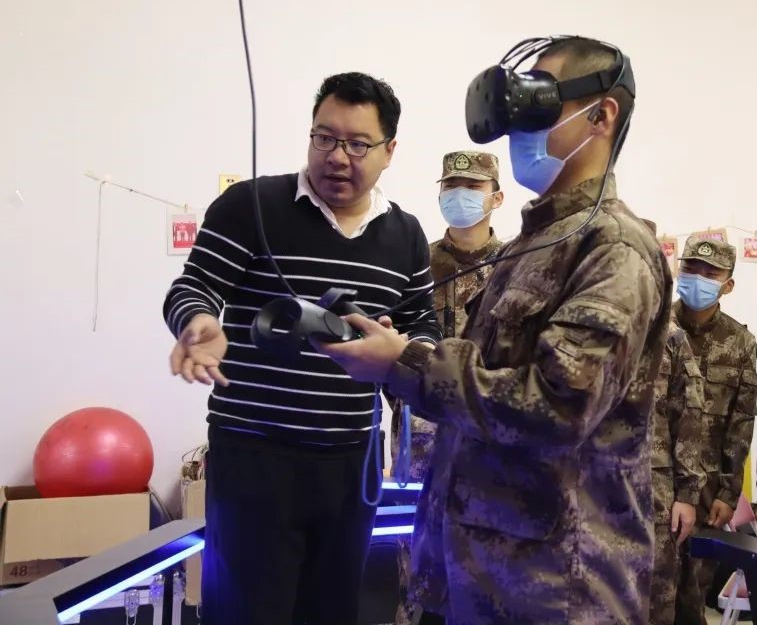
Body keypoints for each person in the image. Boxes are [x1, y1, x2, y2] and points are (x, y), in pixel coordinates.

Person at [317, 36, 671, 625]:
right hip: (476, 577)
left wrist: (405, 363)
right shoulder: (534, 245)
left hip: (557, 590)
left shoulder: (613, 249)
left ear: (602, 115)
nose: (518, 130)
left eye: (539, 105)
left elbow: (557, 408)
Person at [162, 72, 440, 625]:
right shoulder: (252, 205)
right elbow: (193, 286)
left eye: (357, 144)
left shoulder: (405, 235)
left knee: (332, 609)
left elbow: (422, 323)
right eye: (324, 137)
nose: (336, 156)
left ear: (389, 151)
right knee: (245, 611)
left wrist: (404, 350)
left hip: (351, 461)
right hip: (254, 454)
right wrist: (197, 322)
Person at [389, 150, 504, 625]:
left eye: (473, 187)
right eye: (451, 186)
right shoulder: (417, 265)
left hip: (486, 440)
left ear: (496, 198)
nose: (460, 195)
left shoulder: (516, 268)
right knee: (413, 559)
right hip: (418, 438)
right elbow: (391, 344)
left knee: (484, 563)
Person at [671, 236, 757, 625]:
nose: (698, 278)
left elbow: (741, 422)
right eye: (691, 269)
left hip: (707, 490)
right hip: (653, 478)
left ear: (728, 285)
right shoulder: (654, 326)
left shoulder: (739, 342)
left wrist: (729, 490)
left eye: (711, 273)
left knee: (692, 593)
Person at [641, 223, 707, 625]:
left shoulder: (670, 337)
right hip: (589, 488)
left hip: (656, 491)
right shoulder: (584, 328)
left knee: (657, 594)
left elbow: (690, 418)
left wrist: (687, 494)